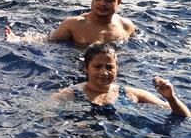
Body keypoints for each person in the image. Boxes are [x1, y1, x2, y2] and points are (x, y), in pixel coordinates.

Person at [52, 42, 189, 117]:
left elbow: (186, 116)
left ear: (117, 68)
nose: (104, 72)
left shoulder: (134, 94)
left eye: (109, 67)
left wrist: (170, 98)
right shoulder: (68, 95)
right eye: (97, 66)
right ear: (86, 68)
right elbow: (45, 117)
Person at [5, 0, 135, 45]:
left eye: (108, 0)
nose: (102, 3)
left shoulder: (126, 26)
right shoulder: (74, 25)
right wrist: (18, 39)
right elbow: (47, 40)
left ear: (118, 2)